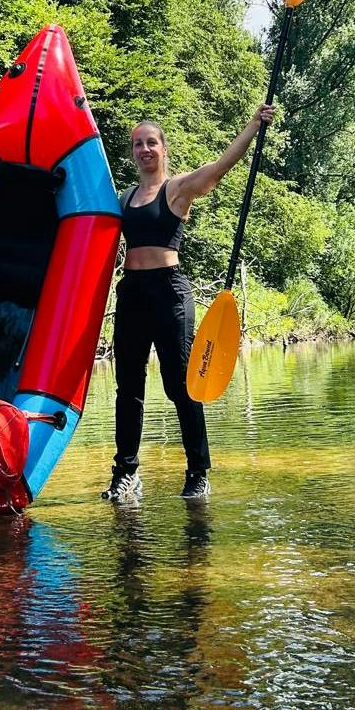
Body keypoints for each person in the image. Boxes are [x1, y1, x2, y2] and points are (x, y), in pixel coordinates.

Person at [102, 105, 275, 503]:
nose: (144, 149)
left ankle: (198, 472)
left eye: (151, 142)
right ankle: (126, 473)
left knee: (181, 385)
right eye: (137, 144)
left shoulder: (177, 189)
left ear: (163, 149)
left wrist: (252, 125)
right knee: (128, 386)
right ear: (132, 152)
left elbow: (218, 169)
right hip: (131, 292)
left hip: (170, 293)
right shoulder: (123, 198)